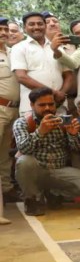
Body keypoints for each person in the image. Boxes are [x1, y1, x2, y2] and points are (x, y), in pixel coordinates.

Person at [13, 87, 80, 215]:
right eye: (42, 105)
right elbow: (23, 148)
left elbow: (77, 149)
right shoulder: (23, 123)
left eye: (50, 104)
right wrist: (40, 132)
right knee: (24, 161)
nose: (47, 108)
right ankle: (32, 199)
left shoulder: (63, 121)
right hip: (36, 170)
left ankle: (54, 193)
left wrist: (73, 134)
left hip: (59, 171)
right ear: (32, 105)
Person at [11, 12, 74, 115]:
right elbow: (21, 77)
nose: (36, 27)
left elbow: (68, 75)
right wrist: (53, 94)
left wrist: (61, 94)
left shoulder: (57, 47)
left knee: (61, 131)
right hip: (31, 108)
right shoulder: (19, 48)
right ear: (24, 27)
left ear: (45, 26)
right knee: (34, 132)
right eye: (31, 24)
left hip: (58, 106)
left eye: (40, 24)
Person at [0, 17, 21, 204]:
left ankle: (6, 189)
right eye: (0, 29)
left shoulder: (14, 52)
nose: (3, 32)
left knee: (5, 153)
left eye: (6, 29)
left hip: (14, 109)